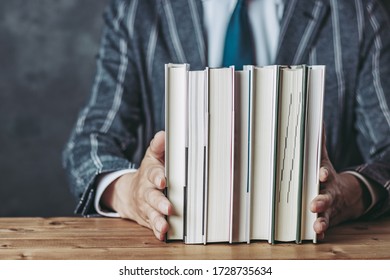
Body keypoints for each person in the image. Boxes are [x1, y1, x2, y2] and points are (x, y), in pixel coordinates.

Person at [63, 0, 390, 241]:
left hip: (315, 248)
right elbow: (89, 142)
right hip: (173, 247)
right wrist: (130, 192)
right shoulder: (138, 10)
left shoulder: (357, 13)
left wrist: (349, 194)